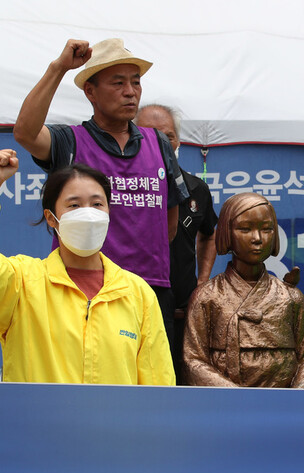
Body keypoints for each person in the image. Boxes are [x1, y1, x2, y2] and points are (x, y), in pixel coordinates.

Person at [13, 38, 190, 346]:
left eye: (136, 82)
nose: (130, 91)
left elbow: (169, 224)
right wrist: (58, 69)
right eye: (118, 82)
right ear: (90, 91)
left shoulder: (158, 143)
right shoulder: (71, 141)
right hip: (82, 289)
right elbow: (26, 132)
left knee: (152, 386)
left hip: (151, 290)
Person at [0, 149, 174, 385]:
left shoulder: (137, 293)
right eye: (74, 205)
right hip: (38, 422)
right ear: (51, 217)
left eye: (97, 204)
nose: (88, 214)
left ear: (109, 211)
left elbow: (158, 382)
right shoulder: (22, 282)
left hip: (115, 423)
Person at [183, 193, 304, 387]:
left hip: (283, 409)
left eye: (266, 229)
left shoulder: (291, 297)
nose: (257, 238)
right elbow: (193, 360)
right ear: (227, 232)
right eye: (245, 229)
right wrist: (237, 398)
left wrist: (295, 399)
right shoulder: (206, 297)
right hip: (227, 409)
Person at [136, 104, 218, 383]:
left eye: (167, 137)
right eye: (148, 135)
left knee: (183, 387)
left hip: (184, 315)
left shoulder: (197, 189)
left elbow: (209, 234)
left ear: (179, 142)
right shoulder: (121, 188)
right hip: (133, 312)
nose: (160, 144)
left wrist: (203, 282)